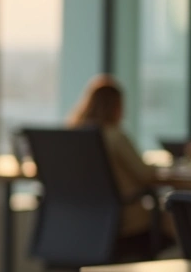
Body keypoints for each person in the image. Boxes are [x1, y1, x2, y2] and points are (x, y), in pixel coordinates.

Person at [68, 74, 171, 240]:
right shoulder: (114, 136)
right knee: (177, 219)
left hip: (82, 219)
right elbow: (143, 174)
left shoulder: (73, 137)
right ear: (116, 106)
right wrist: (159, 167)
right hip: (122, 219)